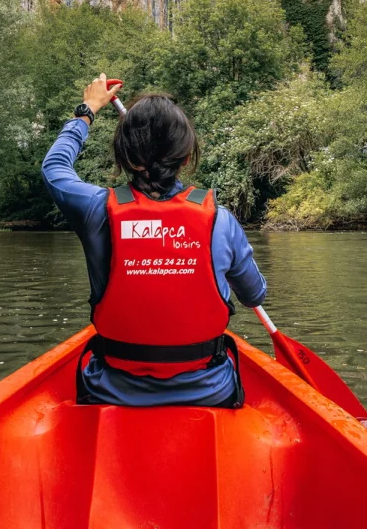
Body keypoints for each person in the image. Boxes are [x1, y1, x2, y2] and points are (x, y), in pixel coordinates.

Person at [41, 74, 267, 408]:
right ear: (186, 158)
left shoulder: (96, 211)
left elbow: (54, 168)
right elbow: (255, 294)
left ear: (127, 158)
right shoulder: (221, 220)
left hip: (111, 390)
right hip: (210, 392)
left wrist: (87, 110)